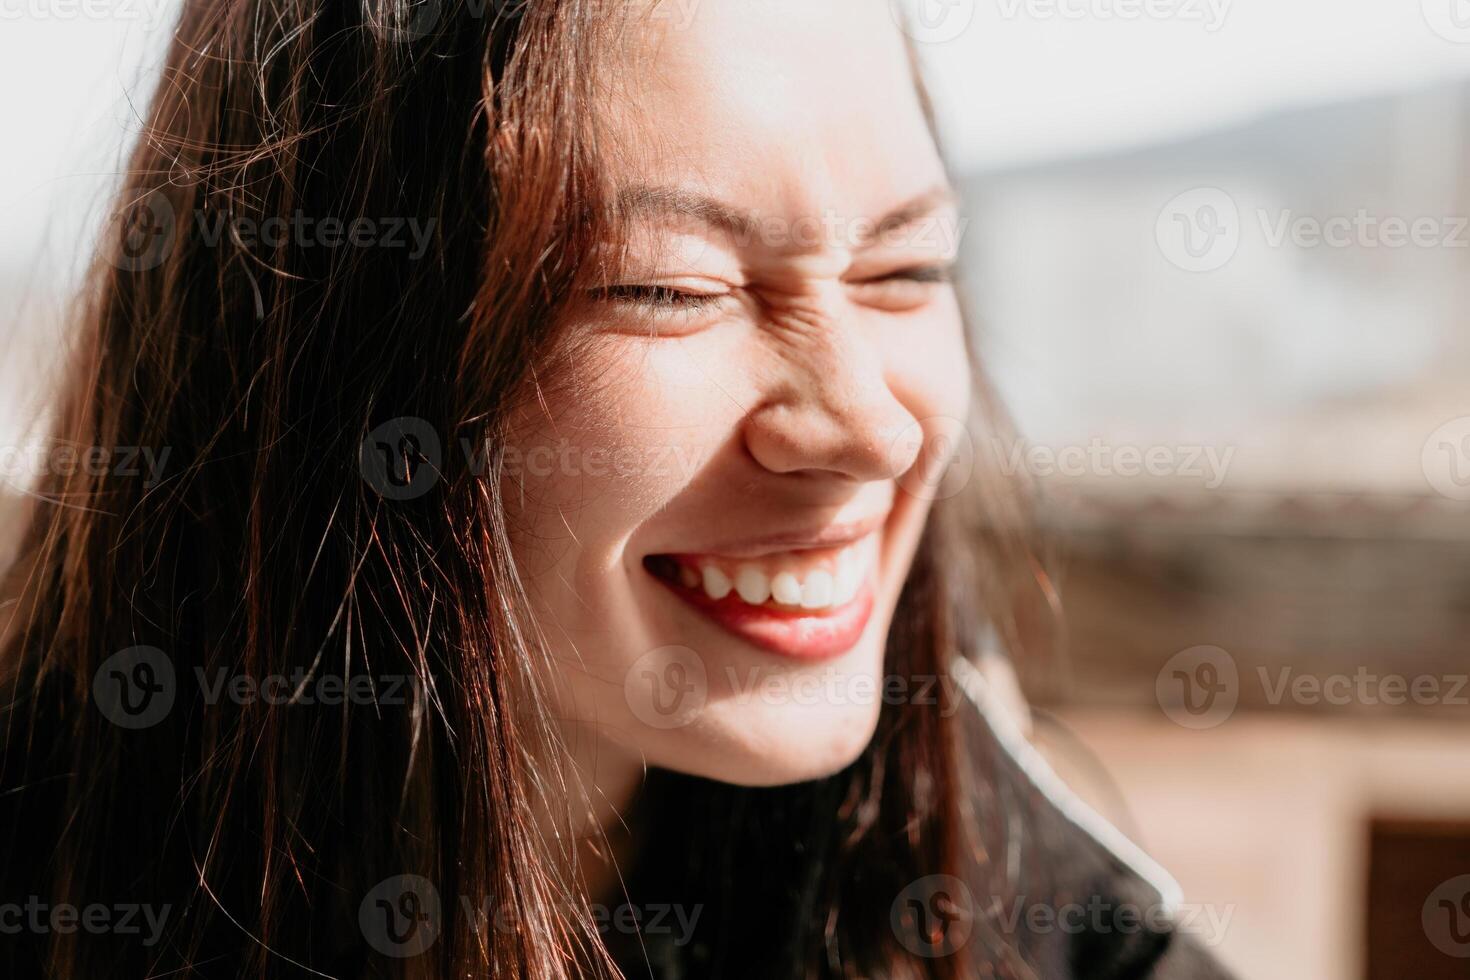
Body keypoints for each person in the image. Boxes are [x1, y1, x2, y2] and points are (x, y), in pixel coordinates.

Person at [0, 1, 1235, 976]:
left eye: (906, 265)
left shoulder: (1009, 903)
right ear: (323, 364)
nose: (869, 426)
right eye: (669, 288)